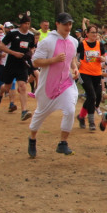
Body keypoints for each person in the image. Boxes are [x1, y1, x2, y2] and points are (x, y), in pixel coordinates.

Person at [27, 13, 81, 157]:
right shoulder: (47, 42)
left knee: (70, 110)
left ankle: (63, 143)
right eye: (65, 24)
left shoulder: (74, 42)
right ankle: (32, 138)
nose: (68, 27)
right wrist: (54, 59)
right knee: (40, 114)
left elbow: (72, 59)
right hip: (48, 86)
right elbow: (36, 61)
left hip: (66, 83)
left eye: (70, 24)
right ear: (57, 24)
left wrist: (75, 68)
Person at [0, 13, 37, 121]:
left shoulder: (30, 36)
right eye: (25, 23)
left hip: (22, 64)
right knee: (7, 86)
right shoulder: (12, 33)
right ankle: (0, 93)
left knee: (22, 86)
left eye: (29, 23)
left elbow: (32, 48)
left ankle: (24, 111)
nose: (27, 25)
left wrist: (30, 53)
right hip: (11, 63)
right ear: (21, 24)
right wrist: (13, 53)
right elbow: (1, 46)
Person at [76, 24, 105, 131]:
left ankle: (81, 116)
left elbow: (104, 57)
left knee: (94, 97)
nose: (95, 34)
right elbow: (75, 56)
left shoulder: (100, 44)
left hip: (97, 73)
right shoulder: (82, 44)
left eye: (96, 32)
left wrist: (102, 59)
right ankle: (91, 122)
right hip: (84, 73)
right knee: (92, 96)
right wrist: (76, 62)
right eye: (92, 32)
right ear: (87, 33)